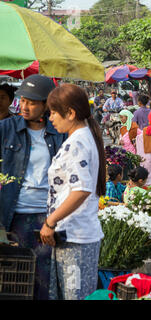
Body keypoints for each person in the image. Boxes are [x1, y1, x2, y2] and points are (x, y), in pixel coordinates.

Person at [0, 75, 65, 300]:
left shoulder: (58, 133)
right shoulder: (6, 128)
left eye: (32, 102)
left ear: (47, 104)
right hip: (13, 215)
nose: (25, 107)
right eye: (23, 101)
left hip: (45, 217)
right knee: (12, 277)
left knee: (42, 277)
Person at [40, 83, 106, 300]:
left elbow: (81, 190)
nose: (50, 118)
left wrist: (50, 221)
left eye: (54, 113)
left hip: (76, 238)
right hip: (73, 235)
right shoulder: (81, 137)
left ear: (70, 113)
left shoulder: (78, 142)